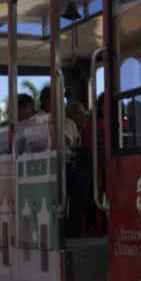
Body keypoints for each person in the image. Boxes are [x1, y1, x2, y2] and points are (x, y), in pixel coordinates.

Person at [63, 101, 92, 238]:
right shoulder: (67, 125)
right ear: (69, 115)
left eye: (84, 114)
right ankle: (70, 224)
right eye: (79, 114)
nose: (83, 117)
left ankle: (88, 223)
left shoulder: (85, 130)